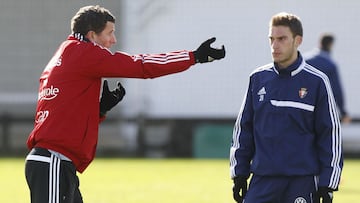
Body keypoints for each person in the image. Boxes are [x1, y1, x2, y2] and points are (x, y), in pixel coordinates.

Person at [25, 5, 225, 203]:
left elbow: (67, 114)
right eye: (110, 33)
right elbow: (141, 65)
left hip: (54, 162)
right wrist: (193, 57)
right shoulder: (84, 53)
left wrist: (100, 109)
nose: (113, 40)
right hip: (53, 162)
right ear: (92, 35)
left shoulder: (66, 53)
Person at [230, 12, 342, 203]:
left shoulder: (317, 81)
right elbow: (243, 129)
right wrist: (239, 173)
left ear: (297, 40)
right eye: (271, 39)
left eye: (281, 39)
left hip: (302, 181)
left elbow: (330, 134)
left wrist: (328, 183)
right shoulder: (257, 79)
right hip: (263, 180)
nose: (275, 46)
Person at [306, 33, 351, 123]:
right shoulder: (330, 65)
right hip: (322, 109)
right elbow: (337, 89)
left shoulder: (304, 60)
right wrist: (343, 112)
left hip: (303, 106)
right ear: (331, 45)